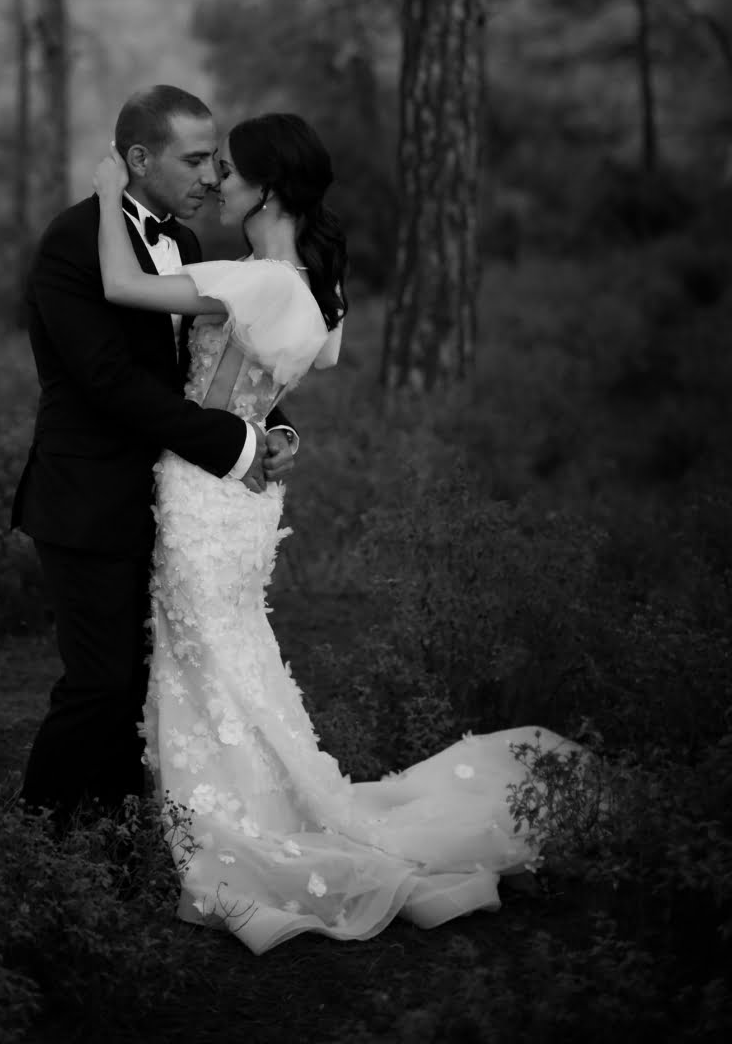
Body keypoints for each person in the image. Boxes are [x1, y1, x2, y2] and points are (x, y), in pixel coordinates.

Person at [92, 110, 581, 955]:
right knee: (229, 654)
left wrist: (108, 195)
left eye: (229, 171)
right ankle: (240, 807)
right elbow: (309, 365)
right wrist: (274, 429)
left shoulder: (255, 281)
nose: (216, 183)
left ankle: (233, 826)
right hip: (246, 497)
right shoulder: (318, 287)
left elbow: (120, 286)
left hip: (204, 491)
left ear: (268, 189)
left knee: (206, 656)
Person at [12, 85, 301, 827]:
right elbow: (108, 381)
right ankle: (31, 837)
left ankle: (115, 847)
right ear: (139, 159)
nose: (210, 177)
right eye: (195, 160)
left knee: (144, 683)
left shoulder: (189, 246)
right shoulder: (75, 240)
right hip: (88, 499)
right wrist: (232, 445)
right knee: (98, 683)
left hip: (170, 500)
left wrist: (272, 429)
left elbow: (202, 374)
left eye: (214, 162)